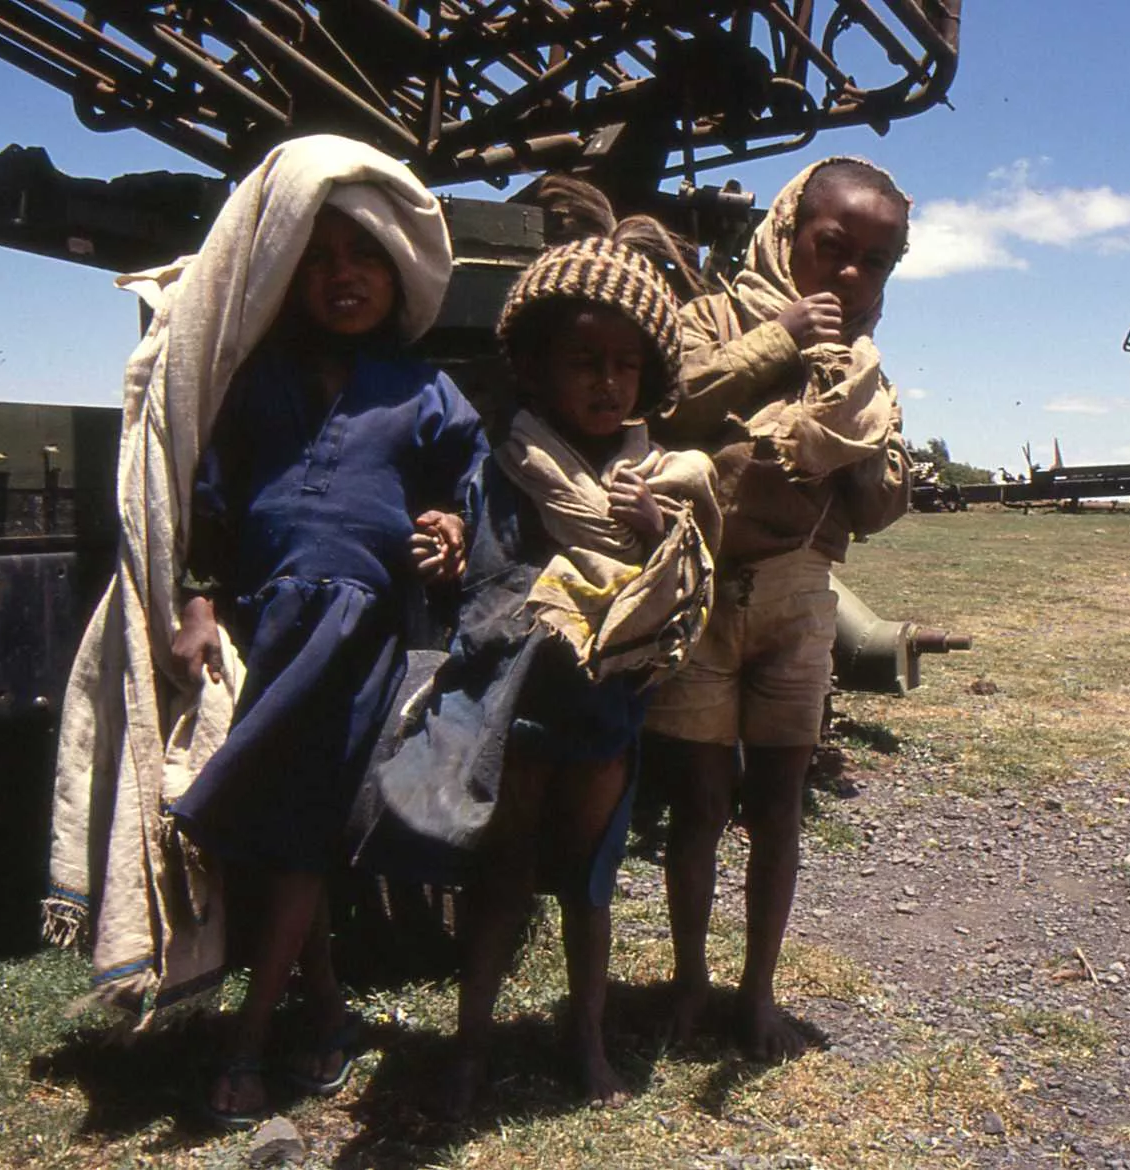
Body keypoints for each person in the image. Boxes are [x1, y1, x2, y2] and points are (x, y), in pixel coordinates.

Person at [164, 141, 485, 1127]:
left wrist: (451, 528)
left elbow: (466, 484)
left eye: (365, 256)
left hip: (353, 635)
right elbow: (207, 507)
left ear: (397, 275)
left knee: (296, 835)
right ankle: (331, 1015)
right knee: (267, 832)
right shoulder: (255, 381)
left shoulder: (421, 388)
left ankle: (251, 1042)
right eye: (320, 256)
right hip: (265, 629)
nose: (342, 275)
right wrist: (200, 607)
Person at [444, 179, 720, 1112]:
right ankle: (471, 1047)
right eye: (582, 362)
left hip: (605, 708)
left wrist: (655, 532)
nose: (606, 384)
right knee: (505, 871)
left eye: (625, 366)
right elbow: (483, 578)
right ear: (532, 368)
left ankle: (588, 1042)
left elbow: (683, 589)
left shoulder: (658, 477)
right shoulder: (505, 466)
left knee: (590, 882)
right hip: (521, 708)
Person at [645, 157, 912, 1060]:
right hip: (705, 593)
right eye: (831, 248)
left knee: (779, 810)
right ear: (786, 231)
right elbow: (670, 406)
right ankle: (689, 984)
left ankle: (756, 992)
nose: (850, 275)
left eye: (875, 263)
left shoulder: (868, 371)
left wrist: (855, 439)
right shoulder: (712, 318)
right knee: (698, 803)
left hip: (801, 599)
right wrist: (781, 338)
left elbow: (877, 511)